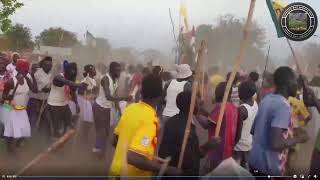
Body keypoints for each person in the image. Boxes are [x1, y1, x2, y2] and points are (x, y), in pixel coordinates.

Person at [110, 74, 182, 177]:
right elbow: (133, 157)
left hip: (115, 172)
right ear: (160, 95)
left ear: (141, 91)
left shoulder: (130, 108)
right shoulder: (151, 119)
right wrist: (166, 169)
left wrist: (149, 159)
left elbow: (115, 141)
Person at [248, 67, 309, 176]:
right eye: (295, 81)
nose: (296, 84)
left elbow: (254, 130)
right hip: (269, 169)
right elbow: (276, 144)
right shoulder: (283, 106)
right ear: (287, 84)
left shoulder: (266, 99)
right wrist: (299, 138)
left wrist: (290, 132)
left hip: (254, 163)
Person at [159, 91, 221, 177]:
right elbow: (191, 158)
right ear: (192, 106)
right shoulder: (187, 129)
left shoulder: (172, 121)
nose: (199, 103)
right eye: (196, 101)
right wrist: (207, 146)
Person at [92, 61, 131, 158]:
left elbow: (115, 95)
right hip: (99, 107)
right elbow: (108, 96)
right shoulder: (105, 79)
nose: (119, 73)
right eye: (117, 71)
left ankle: (100, 151)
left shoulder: (115, 80)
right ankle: (98, 152)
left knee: (106, 131)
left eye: (120, 71)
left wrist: (119, 110)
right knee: (102, 131)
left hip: (107, 108)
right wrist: (124, 98)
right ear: (111, 70)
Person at [196, 82, 238, 170]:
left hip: (219, 149)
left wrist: (195, 112)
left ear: (218, 93)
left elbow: (206, 124)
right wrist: (202, 111)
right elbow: (215, 120)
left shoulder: (221, 107)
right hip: (228, 149)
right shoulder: (232, 106)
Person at [1, 59, 38, 154]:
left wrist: (32, 75)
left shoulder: (27, 80)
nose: (26, 72)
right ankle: (10, 151)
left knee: (24, 132)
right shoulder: (11, 82)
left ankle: (13, 148)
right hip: (11, 110)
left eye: (26, 70)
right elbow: (3, 97)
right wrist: (8, 96)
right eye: (24, 70)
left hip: (22, 110)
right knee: (12, 133)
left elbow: (35, 90)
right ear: (18, 69)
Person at [43, 61, 85, 141]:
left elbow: (72, 92)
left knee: (70, 124)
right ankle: (52, 142)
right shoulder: (59, 77)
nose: (72, 75)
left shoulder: (72, 80)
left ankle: (62, 139)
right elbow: (65, 82)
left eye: (74, 73)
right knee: (56, 126)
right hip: (54, 105)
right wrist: (76, 84)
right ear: (66, 71)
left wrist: (76, 104)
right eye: (71, 73)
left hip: (64, 104)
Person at [160, 64, 192, 146]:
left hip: (166, 115)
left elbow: (162, 99)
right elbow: (190, 103)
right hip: (179, 117)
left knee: (166, 138)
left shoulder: (168, 83)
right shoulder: (188, 85)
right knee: (178, 141)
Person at [233, 81, 258, 169]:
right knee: (245, 168)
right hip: (249, 143)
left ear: (242, 93)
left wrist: (232, 145)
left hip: (239, 146)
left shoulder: (242, 109)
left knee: (237, 169)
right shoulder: (255, 104)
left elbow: (238, 133)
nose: (238, 94)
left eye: (239, 92)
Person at [27, 56, 53, 129]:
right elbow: (31, 86)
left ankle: (39, 136)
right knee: (32, 120)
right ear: (43, 65)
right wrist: (41, 89)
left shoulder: (50, 74)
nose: (49, 67)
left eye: (50, 65)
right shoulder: (37, 73)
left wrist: (49, 89)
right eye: (47, 65)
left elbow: (50, 86)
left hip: (44, 101)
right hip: (35, 100)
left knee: (43, 120)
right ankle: (28, 137)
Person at [77, 64, 98, 146]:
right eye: (93, 70)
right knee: (85, 121)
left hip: (91, 102)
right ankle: (82, 138)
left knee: (90, 122)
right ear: (89, 72)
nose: (95, 71)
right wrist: (91, 91)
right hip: (85, 102)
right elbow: (80, 92)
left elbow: (94, 93)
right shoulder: (85, 80)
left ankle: (84, 136)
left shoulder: (93, 80)